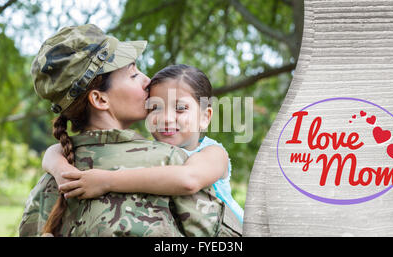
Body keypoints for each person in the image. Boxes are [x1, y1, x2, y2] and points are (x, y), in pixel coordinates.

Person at [18, 24, 242, 237]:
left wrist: (58, 168)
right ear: (99, 99)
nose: (148, 81)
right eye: (134, 74)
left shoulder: (52, 180)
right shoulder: (169, 161)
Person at [42, 64, 245, 223]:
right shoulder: (151, 150)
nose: (166, 118)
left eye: (180, 108)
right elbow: (55, 149)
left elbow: (188, 179)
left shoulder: (213, 152)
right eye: (155, 107)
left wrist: (106, 181)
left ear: (204, 117)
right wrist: (59, 169)